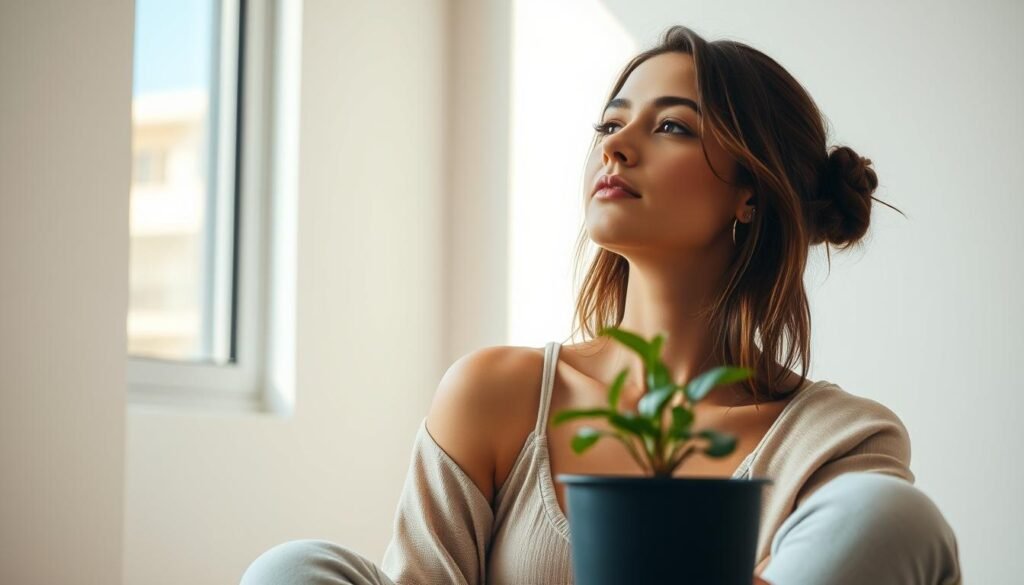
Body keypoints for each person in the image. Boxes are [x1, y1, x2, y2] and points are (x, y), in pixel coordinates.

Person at [241, 24, 962, 585]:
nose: (616, 144)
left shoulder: (838, 442)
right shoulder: (498, 395)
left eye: (671, 125)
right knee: (297, 568)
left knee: (890, 514)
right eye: (610, 123)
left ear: (751, 191)